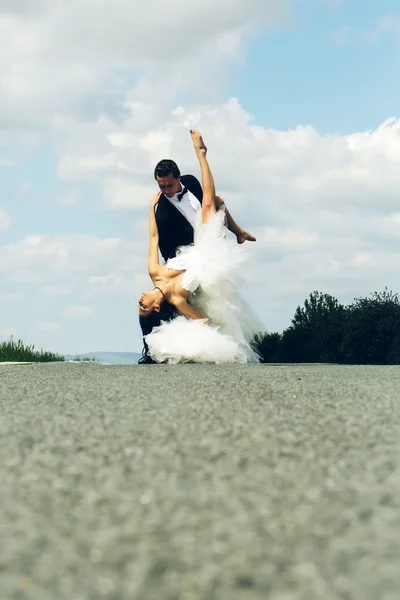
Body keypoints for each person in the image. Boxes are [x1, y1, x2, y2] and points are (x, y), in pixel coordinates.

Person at [138, 130, 262, 364]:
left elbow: (152, 238)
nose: (164, 191)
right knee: (209, 206)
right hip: (198, 255)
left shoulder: (155, 273)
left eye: (168, 185)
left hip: (199, 249)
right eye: (161, 186)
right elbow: (161, 242)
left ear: (178, 177)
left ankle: (202, 155)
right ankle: (152, 351)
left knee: (213, 203)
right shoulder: (163, 213)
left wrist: (236, 231)